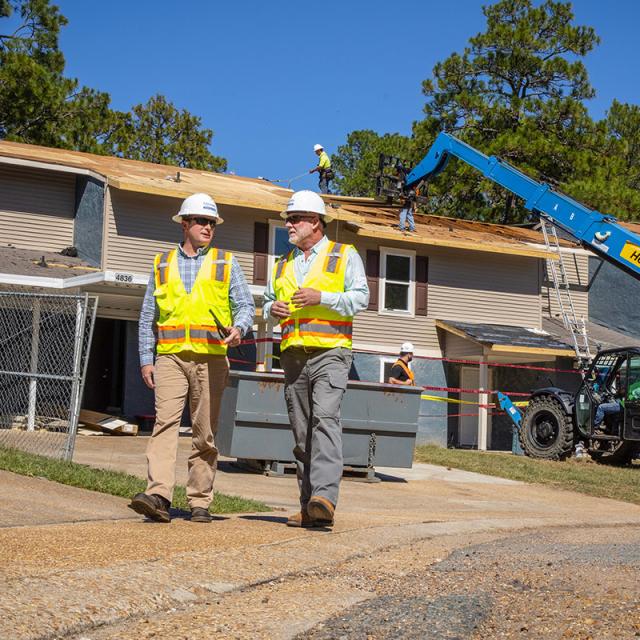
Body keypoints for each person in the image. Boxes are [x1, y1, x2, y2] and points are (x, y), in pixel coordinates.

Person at [129, 193, 255, 523]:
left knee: (204, 431)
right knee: (164, 424)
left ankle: (200, 500)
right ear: (185, 224)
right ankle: (158, 495)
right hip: (170, 357)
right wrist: (146, 359)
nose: (207, 227)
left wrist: (240, 328)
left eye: (212, 223)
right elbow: (147, 317)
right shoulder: (162, 264)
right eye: (201, 221)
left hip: (211, 358)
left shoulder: (226, 262)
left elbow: (245, 306)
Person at [264, 190, 369, 528]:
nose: (289, 225)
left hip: (331, 352)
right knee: (301, 433)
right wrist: (271, 309)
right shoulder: (283, 263)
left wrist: (320, 297)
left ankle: (324, 497)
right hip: (293, 355)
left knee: (324, 419)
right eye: (288, 220)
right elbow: (267, 302)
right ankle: (309, 506)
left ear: (315, 221)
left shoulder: (344, 255)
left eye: (294, 219)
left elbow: (361, 298)